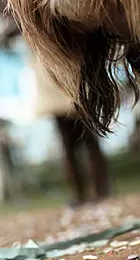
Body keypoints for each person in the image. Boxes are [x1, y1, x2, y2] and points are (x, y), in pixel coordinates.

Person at [31, 55, 111, 207]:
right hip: (56, 82)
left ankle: (98, 190)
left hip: (70, 79)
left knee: (86, 143)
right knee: (76, 145)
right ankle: (86, 192)